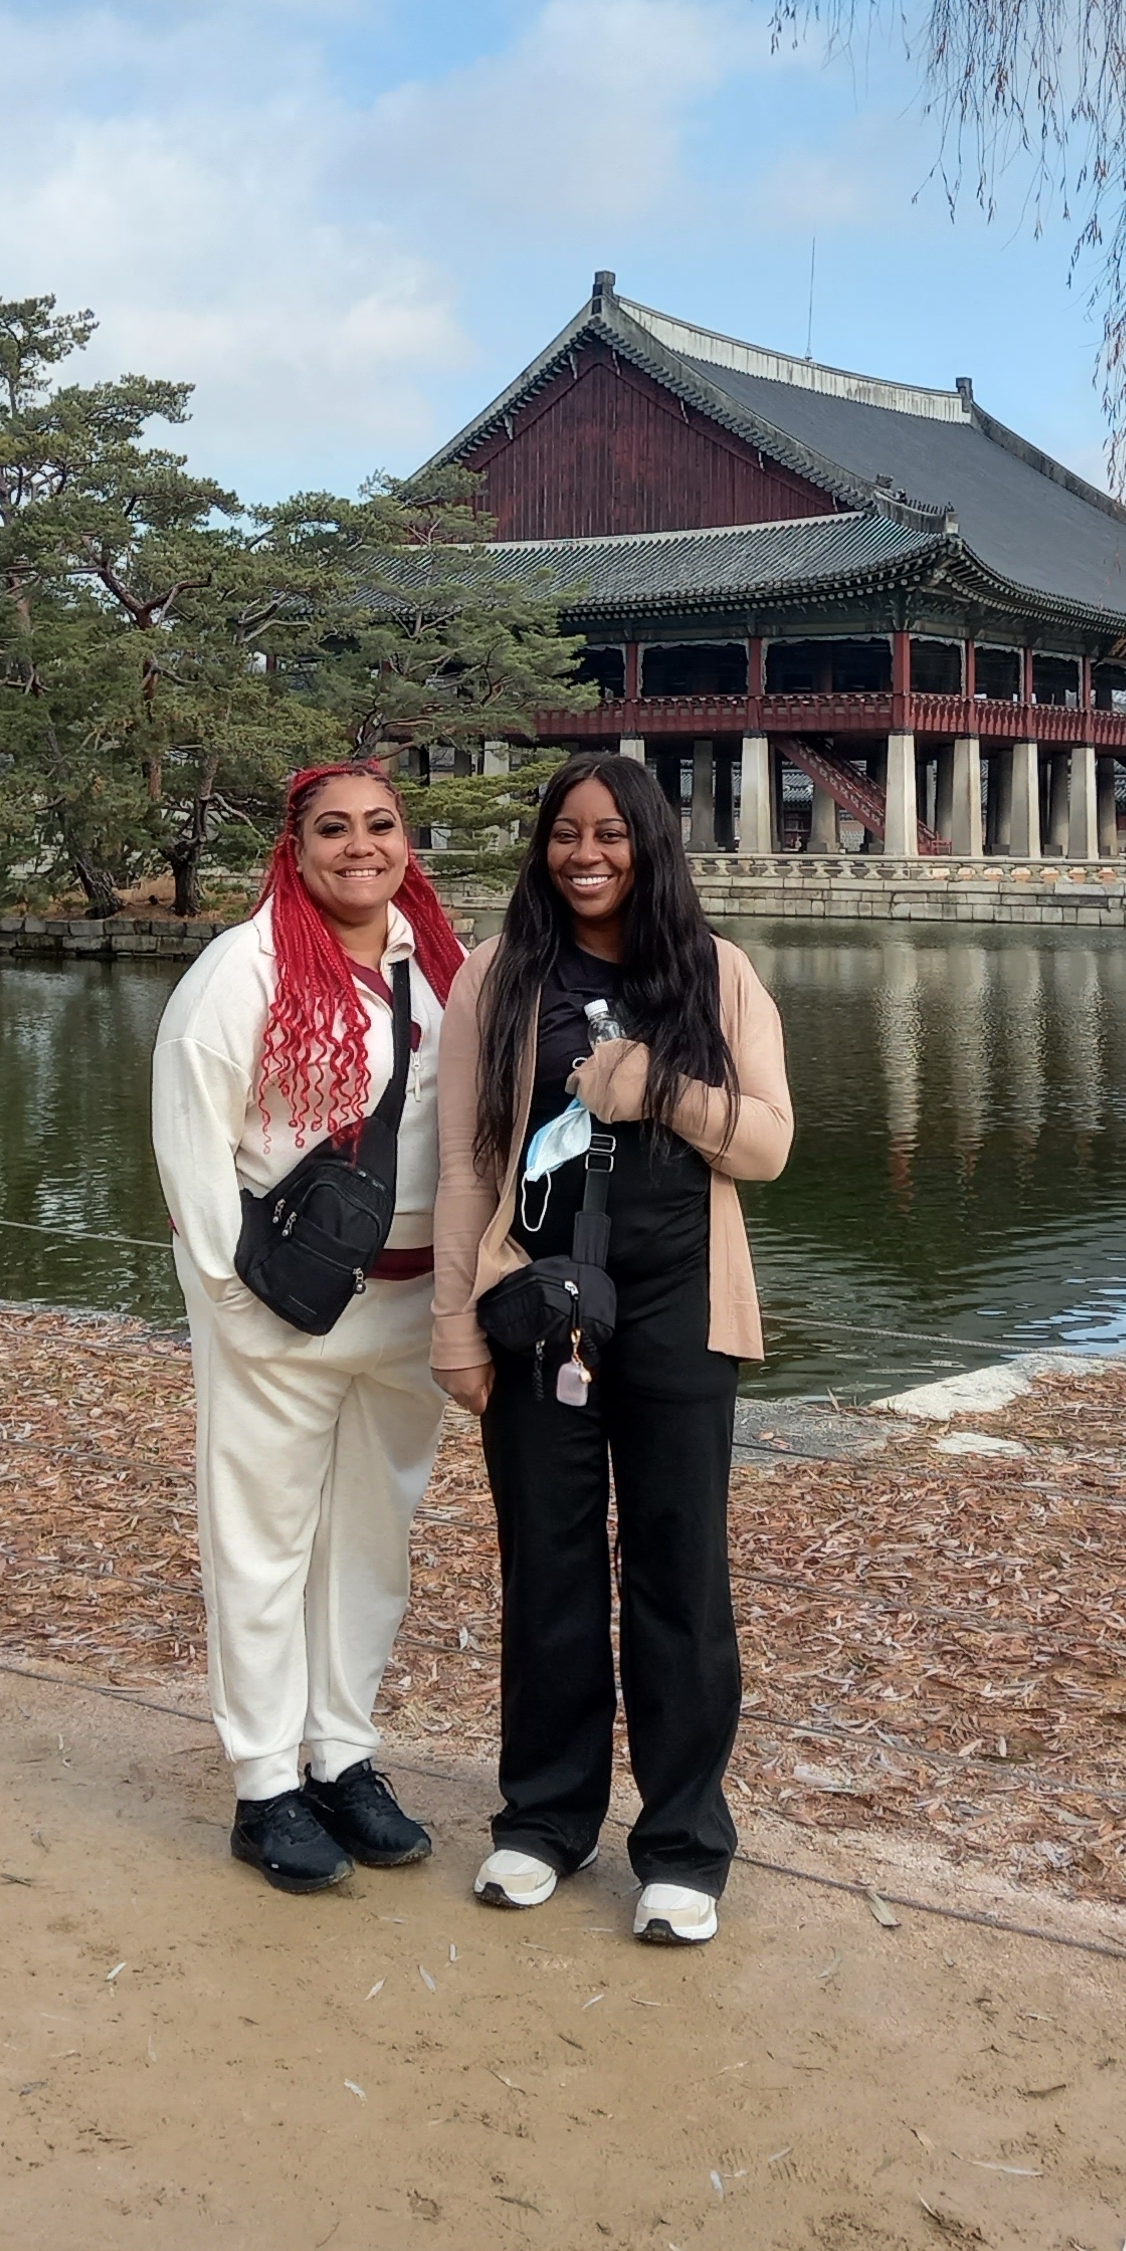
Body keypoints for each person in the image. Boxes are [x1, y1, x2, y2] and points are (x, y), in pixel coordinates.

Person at [432, 753, 791, 1947]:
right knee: (547, 1563)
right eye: (564, 834)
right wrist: (454, 1325)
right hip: (536, 1304)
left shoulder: (715, 972)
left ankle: (682, 1844)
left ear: (651, 844)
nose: (585, 855)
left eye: (611, 834)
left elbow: (768, 1145)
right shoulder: (497, 975)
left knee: (679, 1573)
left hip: (683, 1302)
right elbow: (465, 1163)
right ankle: (544, 1820)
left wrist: (658, 1090)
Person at [150, 760, 467, 1894]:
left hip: (410, 1305)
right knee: (263, 1542)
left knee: (371, 1544)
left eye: (380, 824)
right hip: (283, 1308)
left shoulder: (441, 963)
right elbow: (193, 1153)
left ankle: (340, 1755)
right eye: (333, 829)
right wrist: (233, 1304)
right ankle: (263, 1782)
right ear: (294, 847)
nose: (359, 846)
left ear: (406, 840)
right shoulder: (243, 971)